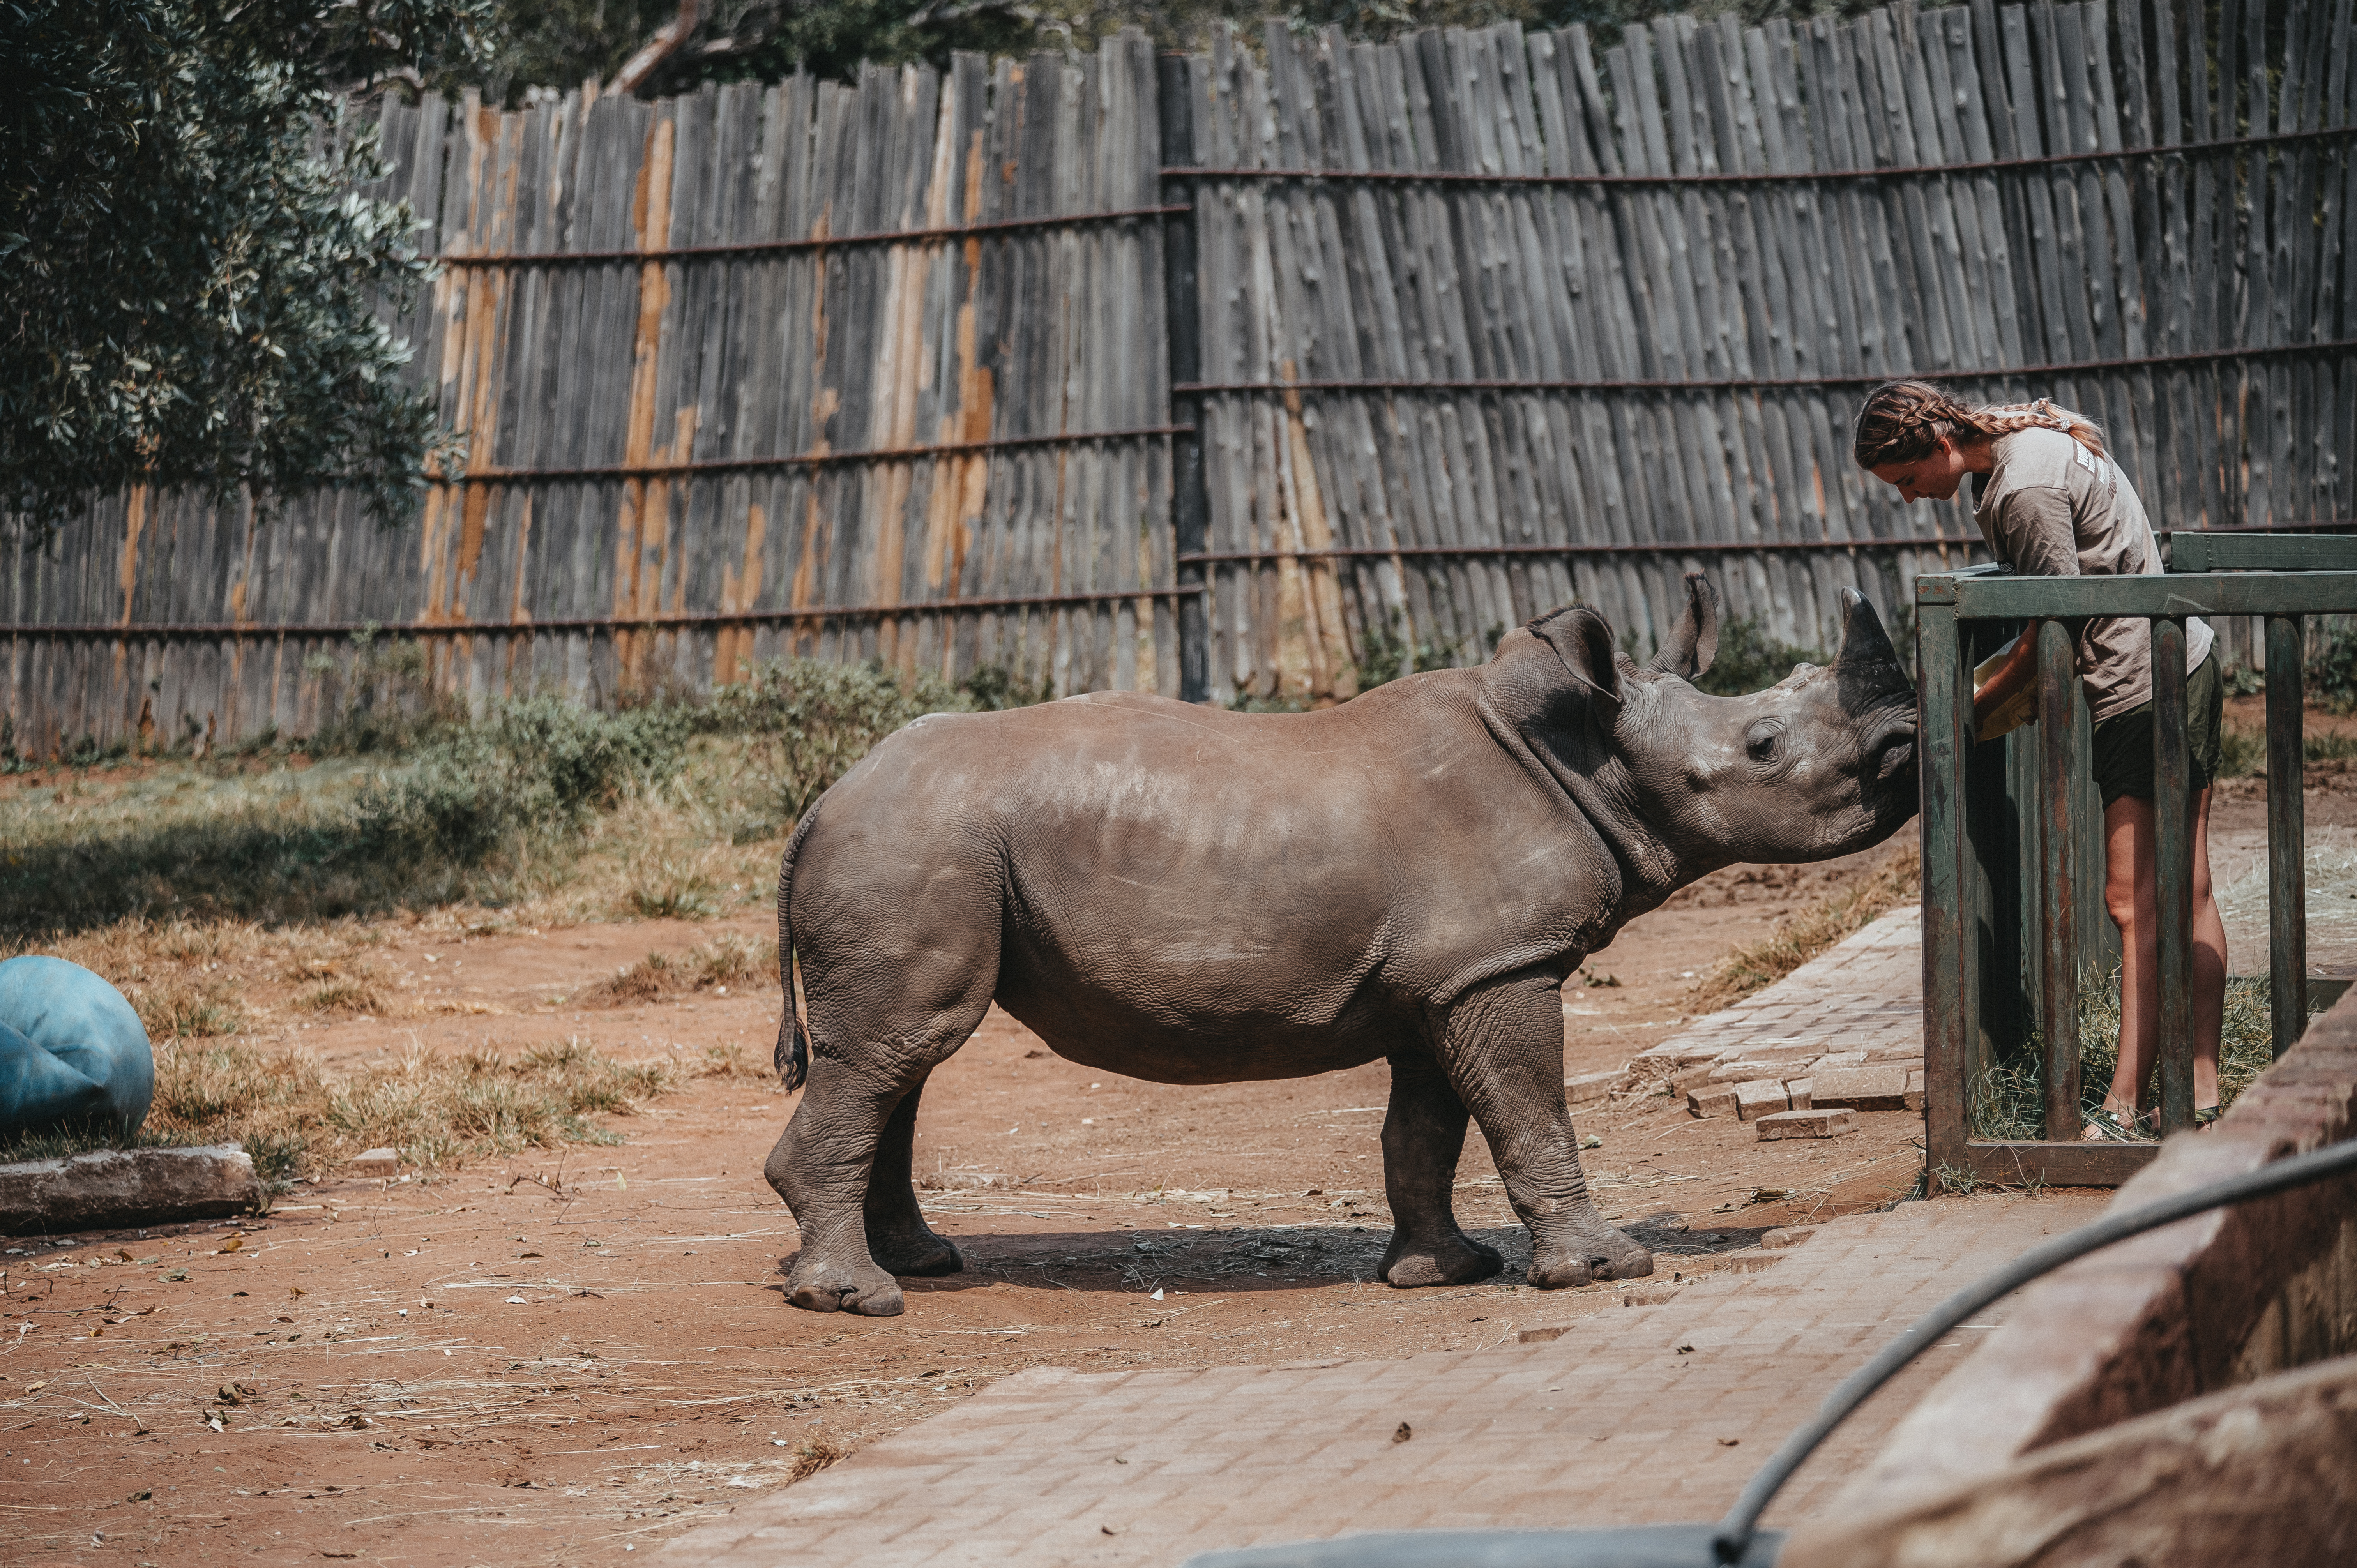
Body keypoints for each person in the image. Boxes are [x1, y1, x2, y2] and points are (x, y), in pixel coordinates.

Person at [1852, 381, 2225, 1138]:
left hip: (2140, 686)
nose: (1914, 498)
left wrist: (1969, 704)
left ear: (1934, 446)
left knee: (2132, 903)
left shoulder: (2020, 485)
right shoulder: (2029, 445)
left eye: (1906, 480)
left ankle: (2122, 1109)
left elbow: (2056, 620)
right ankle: (2203, 1094)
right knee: (2188, 887)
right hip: (2186, 658)